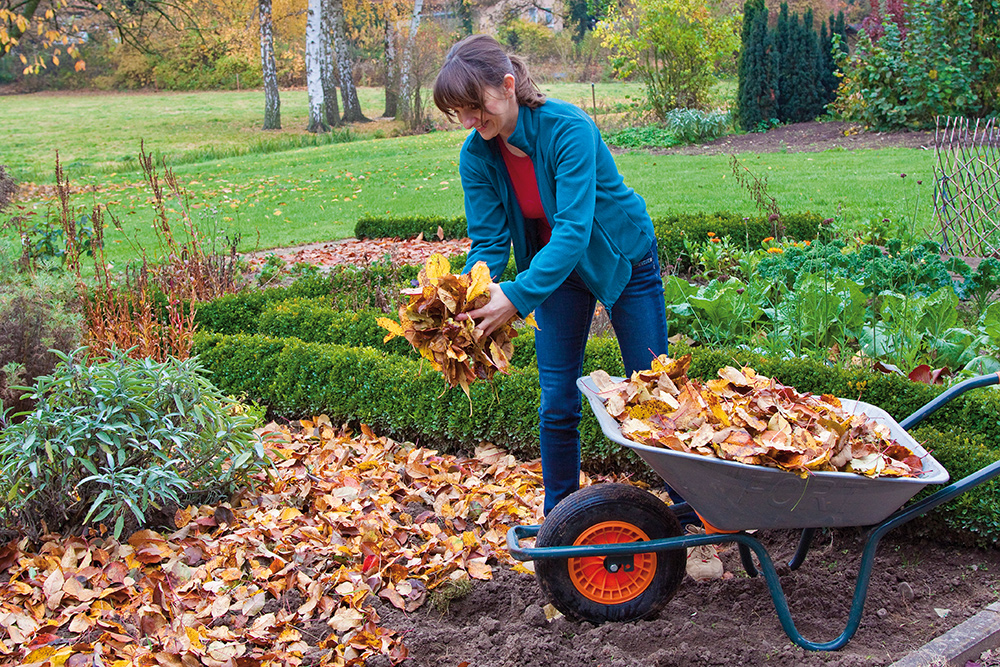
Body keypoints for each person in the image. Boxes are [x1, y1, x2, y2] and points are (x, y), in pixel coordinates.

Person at [431, 34, 673, 518]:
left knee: (654, 394)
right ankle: (559, 521)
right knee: (556, 401)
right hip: (555, 273)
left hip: (622, 259)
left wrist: (516, 297)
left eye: (474, 106)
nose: (469, 122)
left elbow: (574, 231)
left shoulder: (567, 128)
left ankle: (695, 515)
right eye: (457, 112)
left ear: (506, 86)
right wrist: (460, 298)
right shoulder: (477, 154)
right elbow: (490, 243)